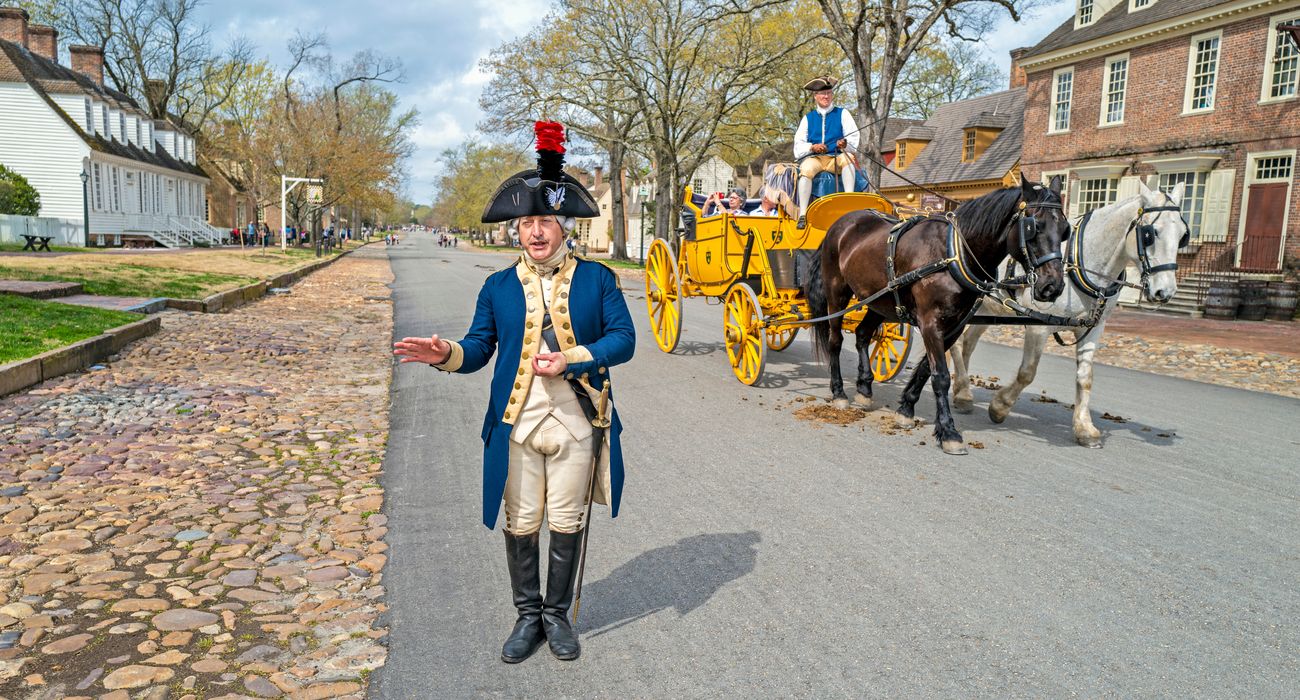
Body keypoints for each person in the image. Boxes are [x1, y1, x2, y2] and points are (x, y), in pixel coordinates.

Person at [393, 121, 634, 664]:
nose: (536, 232)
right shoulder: (496, 286)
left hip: (577, 421)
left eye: (546, 220)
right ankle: (528, 616)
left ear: (563, 226)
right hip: (517, 425)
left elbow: (624, 340)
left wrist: (572, 357)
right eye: (527, 223)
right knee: (522, 521)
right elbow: (479, 348)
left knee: (567, 520)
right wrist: (447, 354)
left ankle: (557, 615)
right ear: (516, 231)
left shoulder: (600, 281)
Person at [793, 76, 859, 228]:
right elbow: (798, 145)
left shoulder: (843, 114)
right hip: (815, 159)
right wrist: (812, 147)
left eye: (829, 93)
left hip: (835, 158)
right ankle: (803, 214)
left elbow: (853, 138)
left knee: (848, 158)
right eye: (822, 94)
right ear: (815, 96)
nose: (826, 96)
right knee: (806, 169)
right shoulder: (807, 118)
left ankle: (848, 204)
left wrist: (845, 144)